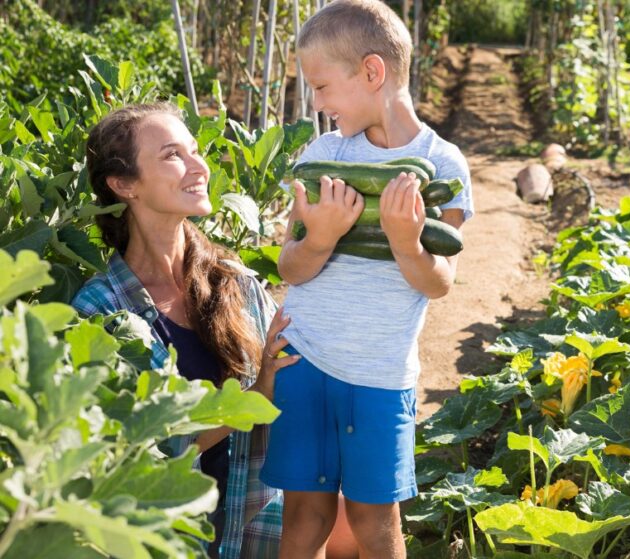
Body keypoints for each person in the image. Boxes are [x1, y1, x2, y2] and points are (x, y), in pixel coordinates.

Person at [258, 1, 475, 557]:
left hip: (378, 373)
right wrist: (322, 237)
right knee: (304, 516)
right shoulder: (324, 154)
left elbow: (439, 281)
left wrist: (407, 242)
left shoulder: (442, 164)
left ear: (372, 72)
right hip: (302, 360)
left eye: (323, 87)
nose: (320, 104)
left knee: (377, 521)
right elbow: (289, 267)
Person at [71, 102, 301, 559]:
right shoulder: (100, 312)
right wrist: (257, 394)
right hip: (167, 539)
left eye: (196, 151)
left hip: (253, 522)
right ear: (124, 185)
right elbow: (135, 455)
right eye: (173, 155)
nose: (200, 166)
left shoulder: (235, 282)